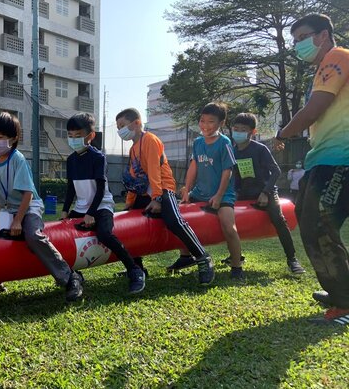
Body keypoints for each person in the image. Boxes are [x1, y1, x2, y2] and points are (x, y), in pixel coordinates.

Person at [276, 13, 349, 325]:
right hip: (321, 159)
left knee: (320, 226)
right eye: (295, 41)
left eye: (303, 37)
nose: (298, 45)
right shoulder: (322, 69)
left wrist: (282, 133)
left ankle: (345, 303)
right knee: (309, 223)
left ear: (323, 35)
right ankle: (339, 291)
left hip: (340, 160)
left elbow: (314, 109)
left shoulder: (337, 57)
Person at [0, 112, 84, 302]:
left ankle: (69, 276)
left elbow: (28, 194)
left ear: (13, 139)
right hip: (8, 209)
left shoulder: (18, 159)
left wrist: (18, 220)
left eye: (0, 138)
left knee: (33, 235)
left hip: (28, 207)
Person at [116, 108, 215, 286]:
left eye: (122, 125)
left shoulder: (150, 140)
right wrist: (129, 204)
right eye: (118, 127)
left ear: (137, 123)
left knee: (174, 221)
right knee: (129, 224)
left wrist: (158, 198)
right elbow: (134, 177)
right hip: (144, 192)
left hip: (163, 189)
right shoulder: (133, 149)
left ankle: (202, 258)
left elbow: (154, 171)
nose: (120, 130)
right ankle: (137, 268)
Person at [61, 113, 146, 294]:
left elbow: (100, 189)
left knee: (105, 234)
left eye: (78, 136)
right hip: (81, 207)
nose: (73, 140)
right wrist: (65, 211)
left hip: (101, 206)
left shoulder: (98, 157)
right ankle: (74, 276)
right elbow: (70, 188)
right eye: (70, 136)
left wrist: (91, 213)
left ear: (90, 136)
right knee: (64, 237)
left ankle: (134, 270)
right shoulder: (71, 160)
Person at [231, 113, 305, 275]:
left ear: (252, 132)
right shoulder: (232, 151)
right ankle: (236, 256)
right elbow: (234, 175)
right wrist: (234, 193)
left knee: (278, 220)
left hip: (267, 191)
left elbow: (276, 171)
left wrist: (265, 192)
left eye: (243, 130)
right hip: (244, 193)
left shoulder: (260, 149)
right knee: (231, 221)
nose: (237, 132)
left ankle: (292, 259)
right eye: (235, 129)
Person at [176, 102, 244, 279]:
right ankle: (185, 257)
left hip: (223, 194)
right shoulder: (198, 142)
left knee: (229, 227)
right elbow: (194, 166)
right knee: (179, 216)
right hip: (200, 192)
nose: (205, 125)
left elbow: (227, 170)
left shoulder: (225, 142)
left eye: (211, 121)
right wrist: (187, 191)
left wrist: (220, 195)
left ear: (221, 123)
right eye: (202, 120)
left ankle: (237, 267)